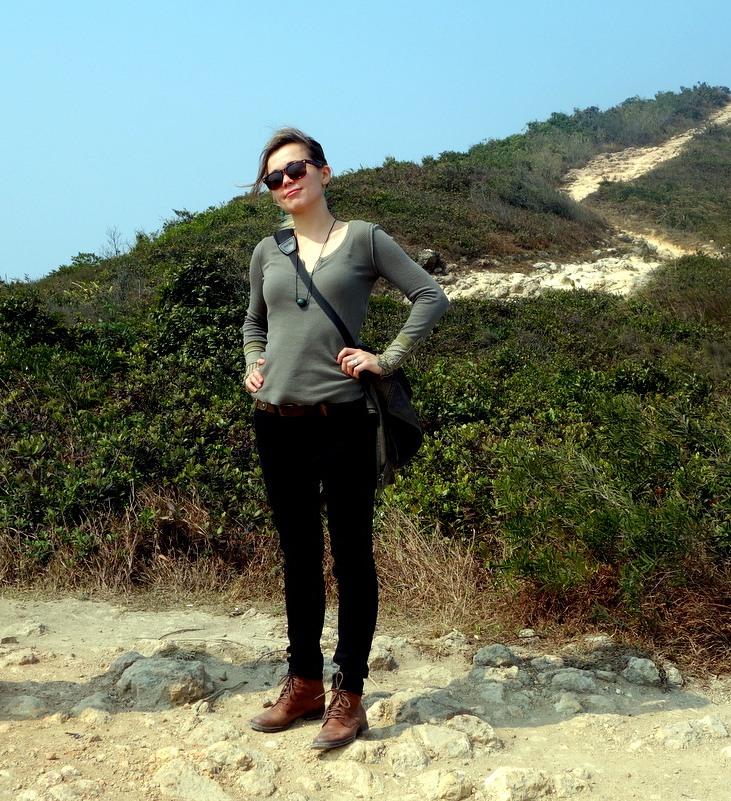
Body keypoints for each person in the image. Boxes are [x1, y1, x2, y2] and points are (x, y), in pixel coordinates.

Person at [241, 128, 448, 749]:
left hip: (345, 422)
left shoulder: (363, 239)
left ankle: (349, 694)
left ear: (323, 172)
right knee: (298, 556)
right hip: (277, 421)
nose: (286, 182)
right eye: (274, 177)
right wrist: (253, 362)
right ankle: (303, 683)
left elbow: (430, 296)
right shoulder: (267, 251)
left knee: (352, 557)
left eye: (296, 169)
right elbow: (254, 321)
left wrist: (387, 357)